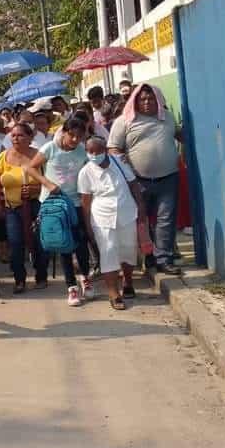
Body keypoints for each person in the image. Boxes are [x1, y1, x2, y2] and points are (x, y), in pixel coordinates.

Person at [108, 83, 182, 276]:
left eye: (150, 98)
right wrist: (124, 165)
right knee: (141, 220)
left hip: (168, 177)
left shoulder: (167, 118)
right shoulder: (124, 121)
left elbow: (179, 134)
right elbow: (113, 148)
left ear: (158, 99)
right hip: (138, 181)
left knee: (165, 219)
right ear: (135, 101)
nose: (147, 102)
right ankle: (147, 255)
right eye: (142, 99)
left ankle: (164, 259)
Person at [27, 118, 94, 306]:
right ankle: (71, 288)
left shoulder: (82, 151)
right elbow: (31, 168)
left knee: (81, 242)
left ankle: (84, 278)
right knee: (63, 243)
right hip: (53, 204)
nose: (74, 139)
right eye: (71, 135)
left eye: (79, 137)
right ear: (63, 132)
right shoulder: (50, 147)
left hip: (76, 203)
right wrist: (48, 184)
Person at [78, 137, 148, 310]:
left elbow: (134, 185)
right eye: (90, 152)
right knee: (108, 252)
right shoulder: (85, 172)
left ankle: (128, 281)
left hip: (127, 213)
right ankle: (113, 293)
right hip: (102, 217)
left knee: (128, 250)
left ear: (106, 150)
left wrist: (141, 208)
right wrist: (88, 227)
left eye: (98, 151)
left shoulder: (119, 163)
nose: (94, 155)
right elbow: (86, 202)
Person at [0, 123, 47, 294]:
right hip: (13, 208)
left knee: (39, 242)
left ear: (30, 138)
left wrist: (35, 189)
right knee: (15, 243)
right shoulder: (3, 156)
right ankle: (19, 279)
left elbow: (48, 182)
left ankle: (41, 275)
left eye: (20, 135)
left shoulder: (39, 156)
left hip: (36, 205)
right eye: (13, 135)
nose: (16, 138)